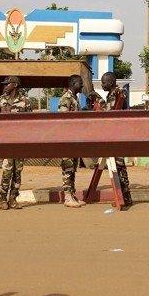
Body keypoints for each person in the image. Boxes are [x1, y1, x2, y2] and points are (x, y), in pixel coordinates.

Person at [91, 71, 134, 206]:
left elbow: (109, 113)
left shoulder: (118, 93)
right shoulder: (113, 93)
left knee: (119, 167)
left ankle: (124, 198)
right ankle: (125, 197)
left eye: (104, 83)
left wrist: (97, 98)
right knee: (118, 167)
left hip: (118, 135)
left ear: (111, 81)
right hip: (115, 134)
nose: (102, 85)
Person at [0, 75, 32, 209]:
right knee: (7, 170)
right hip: (6, 141)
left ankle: (13, 198)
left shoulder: (25, 101)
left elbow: (30, 124)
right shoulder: (0, 100)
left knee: (18, 171)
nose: (5, 86)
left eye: (7, 84)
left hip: (20, 141)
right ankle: (3, 199)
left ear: (15, 85)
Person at [57, 74, 86, 208]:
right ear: (74, 84)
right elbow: (63, 120)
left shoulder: (74, 99)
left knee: (72, 169)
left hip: (74, 139)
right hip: (66, 139)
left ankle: (72, 195)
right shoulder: (66, 98)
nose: (82, 85)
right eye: (80, 83)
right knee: (67, 168)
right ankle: (67, 197)